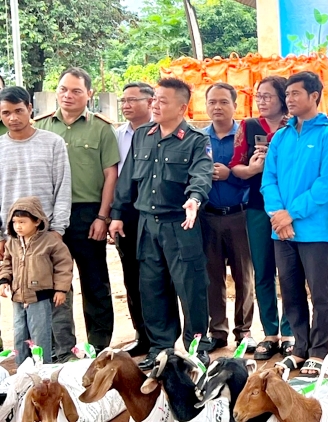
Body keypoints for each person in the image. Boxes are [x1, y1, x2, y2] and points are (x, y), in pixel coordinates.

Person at [109, 77, 213, 370]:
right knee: (151, 287)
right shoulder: (143, 135)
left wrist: (194, 198)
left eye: (162, 100)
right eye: (154, 98)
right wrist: (117, 214)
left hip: (180, 224)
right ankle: (161, 347)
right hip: (146, 225)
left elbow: (202, 174)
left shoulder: (196, 139)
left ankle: (197, 347)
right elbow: (127, 178)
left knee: (190, 286)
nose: (155, 104)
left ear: (182, 107)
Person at [260, 71, 328, 376]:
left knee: (319, 292)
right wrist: (277, 215)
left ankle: (319, 351)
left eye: (296, 93)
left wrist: (290, 214)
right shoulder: (281, 137)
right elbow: (268, 179)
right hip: (281, 229)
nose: (290, 99)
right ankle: (299, 348)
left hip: (314, 230)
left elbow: (327, 184)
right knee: (290, 290)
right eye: (288, 94)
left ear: (314, 97)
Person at [34, 67, 119, 360]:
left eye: (76, 91)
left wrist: (103, 217)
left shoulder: (101, 128)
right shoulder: (41, 127)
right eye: (63, 89)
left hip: (87, 214)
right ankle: (63, 348)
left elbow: (111, 175)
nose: (68, 96)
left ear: (89, 94)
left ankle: (99, 348)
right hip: (48, 218)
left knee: (95, 282)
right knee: (56, 283)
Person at [0, 86, 71, 354]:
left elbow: (62, 187)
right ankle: (26, 362)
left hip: (48, 234)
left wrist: (58, 230)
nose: (13, 117)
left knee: (57, 295)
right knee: (20, 298)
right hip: (14, 237)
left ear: (31, 109)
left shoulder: (52, 142)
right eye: (6, 113)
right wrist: (2, 236)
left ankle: (62, 355)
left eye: (19, 111)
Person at [230, 76, 295, 360]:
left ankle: (291, 332)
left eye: (268, 95)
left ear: (282, 98)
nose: (262, 100)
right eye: (259, 95)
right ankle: (270, 333)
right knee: (263, 270)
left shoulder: (295, 125)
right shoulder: (248, 126)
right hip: (258, 206)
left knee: (291, 273)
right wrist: (255, 168)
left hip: (290, 209)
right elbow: (235, 167)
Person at [201, 82, 255, 353]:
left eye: (223, 101)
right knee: (212, 276)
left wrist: (230, 174)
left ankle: (243, 331)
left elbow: (255, 175)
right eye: (212, 102)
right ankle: (217, 331)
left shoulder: (244, 136)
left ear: (235, 105)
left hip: (239, 215)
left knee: (244, 274)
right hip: (208, 216)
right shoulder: (199, 138)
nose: (217, 107)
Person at [0, 197, 72, 365]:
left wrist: (61, 290)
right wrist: (4, 280)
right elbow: (7, 263)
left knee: (40, 336)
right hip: (18, 298)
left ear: (37, 221)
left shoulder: (50, 242)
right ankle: (22, 372)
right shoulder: (13, 243)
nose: (18, 226)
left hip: (40, 297)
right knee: (19, 335)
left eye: (23, 222)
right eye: (15, 222)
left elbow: (63, 265)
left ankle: (42, 370)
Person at [113, 82, 154, 357]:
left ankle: (166, 336)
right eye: (123, 101)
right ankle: (142, 333)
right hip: (126, 211)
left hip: (155, 209)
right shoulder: (116, 136)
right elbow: (114, 176)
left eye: (132, 100)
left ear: (151, 102)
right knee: (132, 276)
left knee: (160, 276)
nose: (126, 105)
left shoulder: (161, 130)